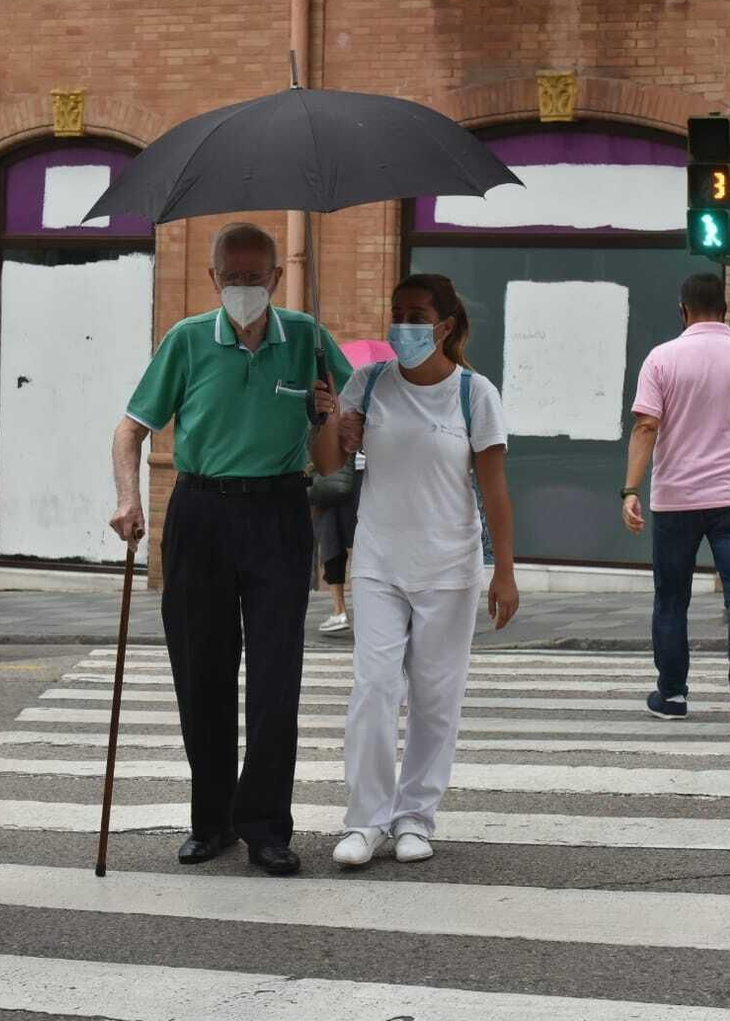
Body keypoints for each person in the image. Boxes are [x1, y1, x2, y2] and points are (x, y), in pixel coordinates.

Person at [110, 221, 351, 877]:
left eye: (257, 276)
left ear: (276, 278)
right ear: (213, 279)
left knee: (276, 679)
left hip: (278, 509)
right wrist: (129, 499)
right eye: (234, 277)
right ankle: (210, 820)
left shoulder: (306, 338)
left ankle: (267, 827)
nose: (246, 288)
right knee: (203, 674)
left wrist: (330, 415)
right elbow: (130, 430)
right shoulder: (186, 340)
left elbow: (343, 441)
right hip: (201, 509)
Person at [313, 273, 519, 867]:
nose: (403, 323)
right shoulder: (367, 382)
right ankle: (366, 820)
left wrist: (503, 571)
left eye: (417, 313)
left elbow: (496, 488)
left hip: (450, 566)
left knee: (435, 699)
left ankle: (415, 818)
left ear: (445, 325)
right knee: (374, 689)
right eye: (397, 311)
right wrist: (332, 423)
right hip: (378, 561)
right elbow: (327, 466)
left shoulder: (473, 394)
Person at [621, 272, 730, 733]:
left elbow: (645, 427)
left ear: (682, 310)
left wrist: (630, 490)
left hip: (676, 498)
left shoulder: (661, 359)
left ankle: (673, 694)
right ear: (725, 311)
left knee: (672, 599)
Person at [310, 450, 362, 634]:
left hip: (334, 468)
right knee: (365, 540)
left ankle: (340, 611)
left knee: (330, 535)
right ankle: (370, 611)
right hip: (368, 471)